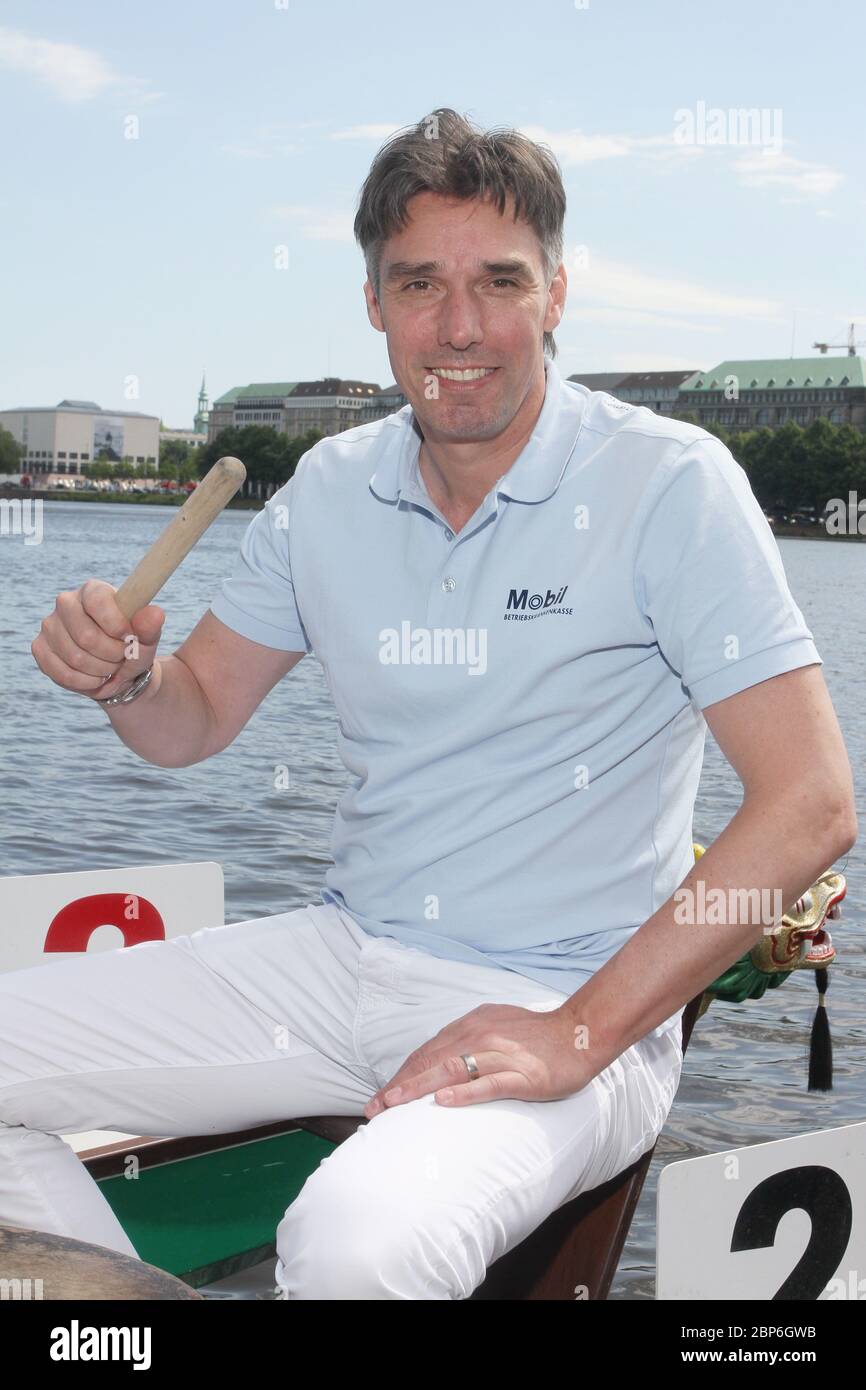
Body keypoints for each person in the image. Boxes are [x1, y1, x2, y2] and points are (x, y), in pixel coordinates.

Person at [7, 108, 857, 1299]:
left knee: (360, 1240)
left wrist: (576, 1033)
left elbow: (811, 803)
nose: (460, 328)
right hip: (341, 949)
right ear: (372, 304)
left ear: (556, 293)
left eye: (498, 282)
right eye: (419, 284)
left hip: (570, 992)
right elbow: (192, 719)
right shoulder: (330, 488)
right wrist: (128, 675)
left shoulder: (666, 485)